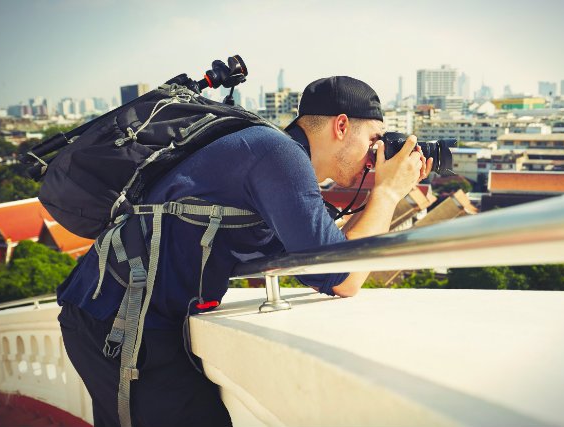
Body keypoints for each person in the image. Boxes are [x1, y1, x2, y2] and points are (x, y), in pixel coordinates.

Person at [56, 75, 430, 427]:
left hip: (118, 312)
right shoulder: (279, 156)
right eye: (375, 139)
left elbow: (325, 255)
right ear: (342, 126)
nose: (377, 154)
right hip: (125, 321)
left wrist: (380, 193)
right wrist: (389, 193)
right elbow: (342, 277)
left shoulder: (272, 153)